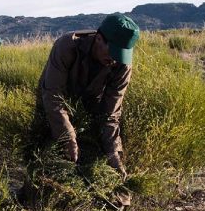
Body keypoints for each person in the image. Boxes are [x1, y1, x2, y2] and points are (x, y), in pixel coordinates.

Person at [36, 13, 140, 179]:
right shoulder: (66, 47)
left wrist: (113, 152)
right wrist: (67, 137)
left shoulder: (122, 65)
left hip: (90, 102)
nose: (115, 61)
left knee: (94, 151)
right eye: (113, 52)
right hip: (54, 98)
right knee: (42, 147)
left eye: (120, 55)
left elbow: (110, 114)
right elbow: (53, 95)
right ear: (98, 39)